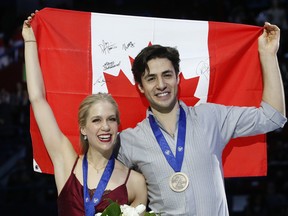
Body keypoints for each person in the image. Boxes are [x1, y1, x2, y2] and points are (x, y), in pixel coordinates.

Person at [117, 22, 287, 215]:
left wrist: (268, 55)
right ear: (140, 86)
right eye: (151, 78)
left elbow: (272, 117)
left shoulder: (210, 117)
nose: (161, 84)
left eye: (167, 75)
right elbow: (96, 173)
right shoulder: (129, 141)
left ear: (178, 78)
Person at [22, 12, 147, 216]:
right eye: (96, 120)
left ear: (118, 126)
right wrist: (30, 40)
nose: (105, 126)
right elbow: (37, 98)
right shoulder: (65, 161)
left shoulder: (135, 182)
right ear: (83, 129)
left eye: (111, 119)